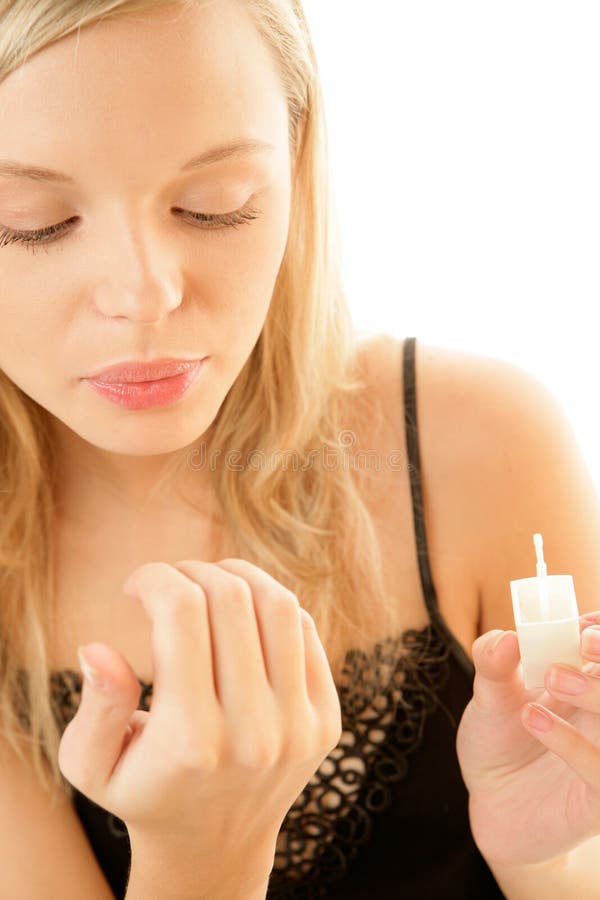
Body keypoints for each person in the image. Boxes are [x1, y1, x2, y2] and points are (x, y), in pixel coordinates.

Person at [1, 1, 600, 898]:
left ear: (298, 163)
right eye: (32, 222)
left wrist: (543, 860)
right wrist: (202, 858)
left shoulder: (477, 449)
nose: (145, 294)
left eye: (215, 207)